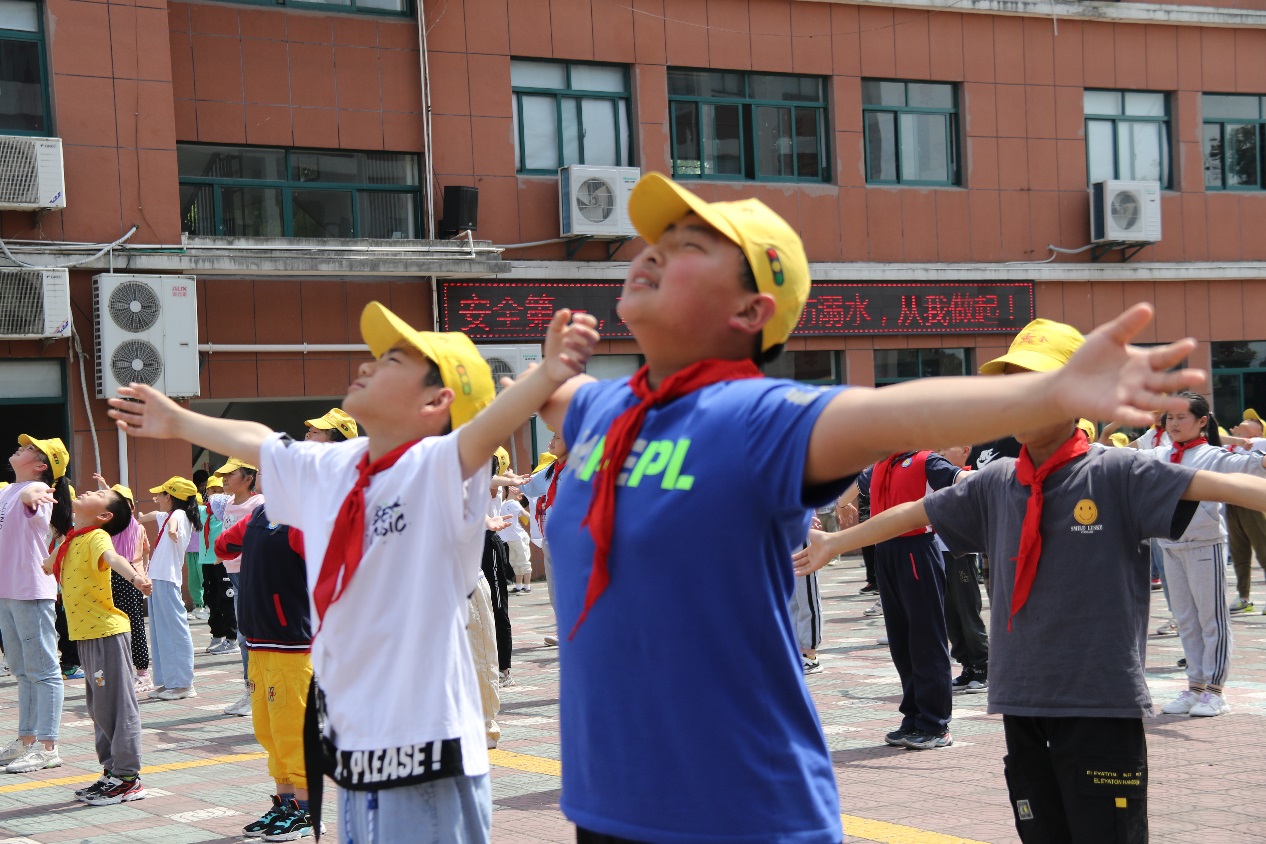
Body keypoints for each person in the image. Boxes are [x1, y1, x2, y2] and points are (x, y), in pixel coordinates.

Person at [531, 172, 1202, 843]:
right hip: (606, 803)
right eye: (656, 238)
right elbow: (550, 395)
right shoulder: (605, 411)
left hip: (735, 807)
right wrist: (546, 368)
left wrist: (1050, 394)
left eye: (689, 244)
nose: (651, 250)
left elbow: (895, 412)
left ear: (751, 312)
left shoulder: (756, 419)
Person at [107, 300, 598, 843]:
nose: (366, 365)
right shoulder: (339, 465)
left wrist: (550, 375)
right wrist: (177, 420)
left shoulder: (436, 467)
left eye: (390, 362)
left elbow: (483, 432)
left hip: (424, 752)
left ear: (438, 401)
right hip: (355, 746)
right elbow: (261, 442)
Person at [794, 326, 1266, 843]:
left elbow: (1229, 486)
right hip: (1021, 698)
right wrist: (837, 544)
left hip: (1098, 702)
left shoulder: (1117, 472)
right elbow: (917, 509)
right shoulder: (998, 482)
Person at [1150, 392, 1266, 718]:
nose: (1173, 424)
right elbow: (1121, 461)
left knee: (1211, 620)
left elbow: (1250, 463)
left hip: (1205, 546)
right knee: (1186, 621)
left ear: (1202, 422)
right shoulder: (1160, 453)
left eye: (1180, 418)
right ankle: (1195, 686)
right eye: (1169, 418)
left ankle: (1216, 692)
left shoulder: (1212, 456)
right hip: (1170, 547)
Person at [840, 447, 965, 748]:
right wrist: (841, 503)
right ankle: (913, 717)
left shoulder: (926, 460)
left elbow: (960, 479)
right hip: (886, 553)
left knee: (926, 638)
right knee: (901, 641)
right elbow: (855, 485)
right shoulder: (883, 464)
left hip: (916, 550)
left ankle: (935, 724)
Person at [41, 486, 153, 803]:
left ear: (104, 515)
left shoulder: (97, 537)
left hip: (106, 633)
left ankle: (128, 777)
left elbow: (113, 558)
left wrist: (136, 578)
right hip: (86, 635)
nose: (89, 490)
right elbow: (49, 565)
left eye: (98, 493)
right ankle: (111, 772)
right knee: (99, 707)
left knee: (117, 705)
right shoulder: (74, 537)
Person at [216, 504, 318, 841]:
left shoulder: (304, 516)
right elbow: (223, 546)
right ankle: (285, 803)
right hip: (259, 639)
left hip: (291, 643)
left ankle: (306, 811)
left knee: (292, 730)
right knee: (269, 730)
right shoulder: (261, 513)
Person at [0, 435, 71, 774]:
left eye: (29, 448)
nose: (20, 448)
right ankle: (26, 740)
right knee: (23, 671)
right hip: (7, 592)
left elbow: (37, 507)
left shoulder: (40, 494)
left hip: (31, 590)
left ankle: (48, 746)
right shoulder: (6, 490)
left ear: (41, 466)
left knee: (43, 671)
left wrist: (33, 494)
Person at [211, 457, 264, 717]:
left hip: (252, 573)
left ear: (248, 478)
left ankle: (256, 692)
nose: (224, 479)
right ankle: (250, 690)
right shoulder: (230, 502)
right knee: (244, 634)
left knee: (249, 634)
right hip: (233, 572)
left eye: (230, 475)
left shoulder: (259, 503)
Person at [141, 477, 201, 701]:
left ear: (171, 496)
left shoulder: (178, 515)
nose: (156, 498)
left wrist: (173, 533)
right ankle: (168, 681)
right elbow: (144, 517)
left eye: (160, 494)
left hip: (166, 580)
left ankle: (183, 684)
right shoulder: (168, 515)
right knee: (160, 633)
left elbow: (174, 525)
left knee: (174, 630)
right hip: (159, 579)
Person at [92, 477, 153, 693]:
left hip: (129, 580)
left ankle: (143, 673)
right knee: (115, 627)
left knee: (134, 625)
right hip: (114, 577)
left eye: (122, 503)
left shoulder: (131, 524)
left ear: (131, 507)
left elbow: (145, 552)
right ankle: (125, 671)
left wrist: (143, 573)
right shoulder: (110, 525)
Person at [937, 445, 989, 695]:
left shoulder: (970, 476)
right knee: (951, 614)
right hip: (938, 552)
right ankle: (967, 665)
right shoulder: (939, 475)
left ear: (965, 449)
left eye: (947, 447)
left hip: (961, 552)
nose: (942, 451)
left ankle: (983, 667)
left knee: (968, 612)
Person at [522, 432, 567, 646]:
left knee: (573, 589)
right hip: (550, 538)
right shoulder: (552, 470)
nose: (551, 442)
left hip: (572, 538)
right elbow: (528, 486)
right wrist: (510, 481)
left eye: (557, 438)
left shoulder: (580, 469)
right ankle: (563, 630)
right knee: (555, 591)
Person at [1225, 412, 1266, 614]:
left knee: (1264, 551)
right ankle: (1244, 597)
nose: (1243, 422)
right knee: (1239, 552)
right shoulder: (1230, 446)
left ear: (1260, 431)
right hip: (1232, 502)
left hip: (1253, 502)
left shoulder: (1261, 444)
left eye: (1251, 422)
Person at [498, 485, 532, 593]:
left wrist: (537, 525)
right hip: (510, 539)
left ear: (519, 497)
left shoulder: (515, 504)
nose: (514, 488)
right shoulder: (503, 503)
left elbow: (526, 515)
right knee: (514, 562)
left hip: (519, 537)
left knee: (523, 561)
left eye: (517, 491)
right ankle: (518, 586)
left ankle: (527, 587)